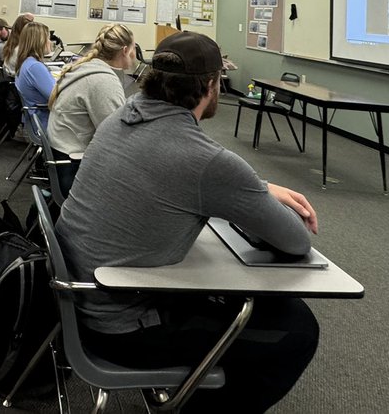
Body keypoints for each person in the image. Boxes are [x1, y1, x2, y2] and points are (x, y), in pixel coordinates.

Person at [55, 31, 320, 414]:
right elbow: (296, 241)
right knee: (297, 329)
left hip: (78, 302)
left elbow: (175, 173)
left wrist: (256, 187)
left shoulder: (119, 117)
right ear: (212, 86)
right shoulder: (206, 160)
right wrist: (250, 189)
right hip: (122, 330)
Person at [46, 23, 135, 157]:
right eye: (134, 48)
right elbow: (116, 134)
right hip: (73, 158)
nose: (135, 55)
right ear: (125, 51)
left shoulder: (86, 67)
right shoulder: (103, 81)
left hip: (60, 149)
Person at [13, 20, 55, 133]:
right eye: (48, 38)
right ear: (39, 42)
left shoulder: (26, 62)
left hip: (35, 121)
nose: (50, 42)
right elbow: (57, 97)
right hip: (45, 124)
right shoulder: (35, 67)